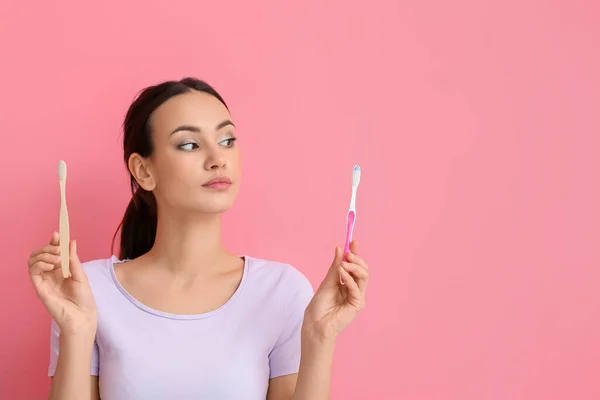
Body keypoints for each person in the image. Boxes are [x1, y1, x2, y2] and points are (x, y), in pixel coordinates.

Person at [27, 78, 370, 400]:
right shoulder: (88, 292)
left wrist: (320, 338)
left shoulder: (281, 290)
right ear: (144, 171)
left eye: (227, 140)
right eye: (189, 144)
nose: (218, 159)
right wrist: (75, 330)